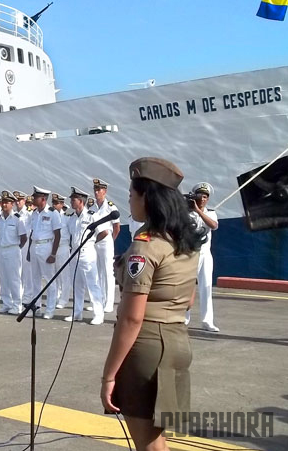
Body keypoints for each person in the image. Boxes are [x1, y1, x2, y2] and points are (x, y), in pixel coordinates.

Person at [101, 157, 204, 451]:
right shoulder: (185, 242)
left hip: (147, 350)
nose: (130, 201)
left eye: (132, 194)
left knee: (147, 443)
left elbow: (132, 318)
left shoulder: (145, 245)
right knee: (158, 441)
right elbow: (188, 298)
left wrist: (109, 376)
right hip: (177, 344)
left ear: (147, 197)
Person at [66, 187, 107, 325]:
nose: (71, 202)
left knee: (92, 285)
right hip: (74, 254)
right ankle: (77, 313)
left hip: (87, 253)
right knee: (77, 285)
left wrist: (92, 242)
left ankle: (98, 314)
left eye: (74, 199)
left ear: (81, 201)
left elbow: (104, 232)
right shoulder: (71, 218)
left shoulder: (91, 216)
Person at [188, 182, 220, 332]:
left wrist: (199, 211)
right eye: (200, 195)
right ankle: (184, 318)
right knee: (186, 287)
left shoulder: (211, 212)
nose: (203, 199)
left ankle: (207, 321)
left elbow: (213, 225)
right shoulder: (186, 213)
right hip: (189, 254)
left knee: (206, 287)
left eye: (205, 196)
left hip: (205, 254)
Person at [28, 186, 62, 319]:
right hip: (35, 246)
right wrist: (30, 251)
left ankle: (50, 309)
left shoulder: (53, 213)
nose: (33, 199)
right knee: (35, 280)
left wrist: (53, 254)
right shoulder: (34, 213)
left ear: (42, 198)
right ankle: (36, 308)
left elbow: (57, 234)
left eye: (35, 197)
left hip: (46, 246)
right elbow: (32, 232)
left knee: (49, 280)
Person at [0, 191, 27, 314]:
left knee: (14, 279)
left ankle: (17, 304)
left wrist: (17, 248)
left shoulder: (18, 219)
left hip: (13, 249)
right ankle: (6, 303)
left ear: (12, 204)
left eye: (7, 202)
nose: (4, 205)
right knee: (3, 278)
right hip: (2, 249)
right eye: (3, 202)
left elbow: (24, 238)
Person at [92, 178, 121, 313]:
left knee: (108, 272)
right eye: (95, 189)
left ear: (105, 191)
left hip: (106, 240)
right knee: (97, 271)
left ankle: (109, 302)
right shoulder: (91, 207)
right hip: (94, 241)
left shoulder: (110, 206)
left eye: (99, 190)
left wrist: (111, 240)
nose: (96, 192)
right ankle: (100, 299)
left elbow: (117, 227)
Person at [52, 193, 74, 309]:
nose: (55, 205)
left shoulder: (67, 218)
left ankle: (64, 299)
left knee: (64, 275)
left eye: (57, 203)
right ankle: (55, 296)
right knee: (54, 274)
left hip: (64, 247)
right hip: (53, 247)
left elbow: (72, 233)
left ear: (62, 204)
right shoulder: (50, 216)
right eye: (53, 203)